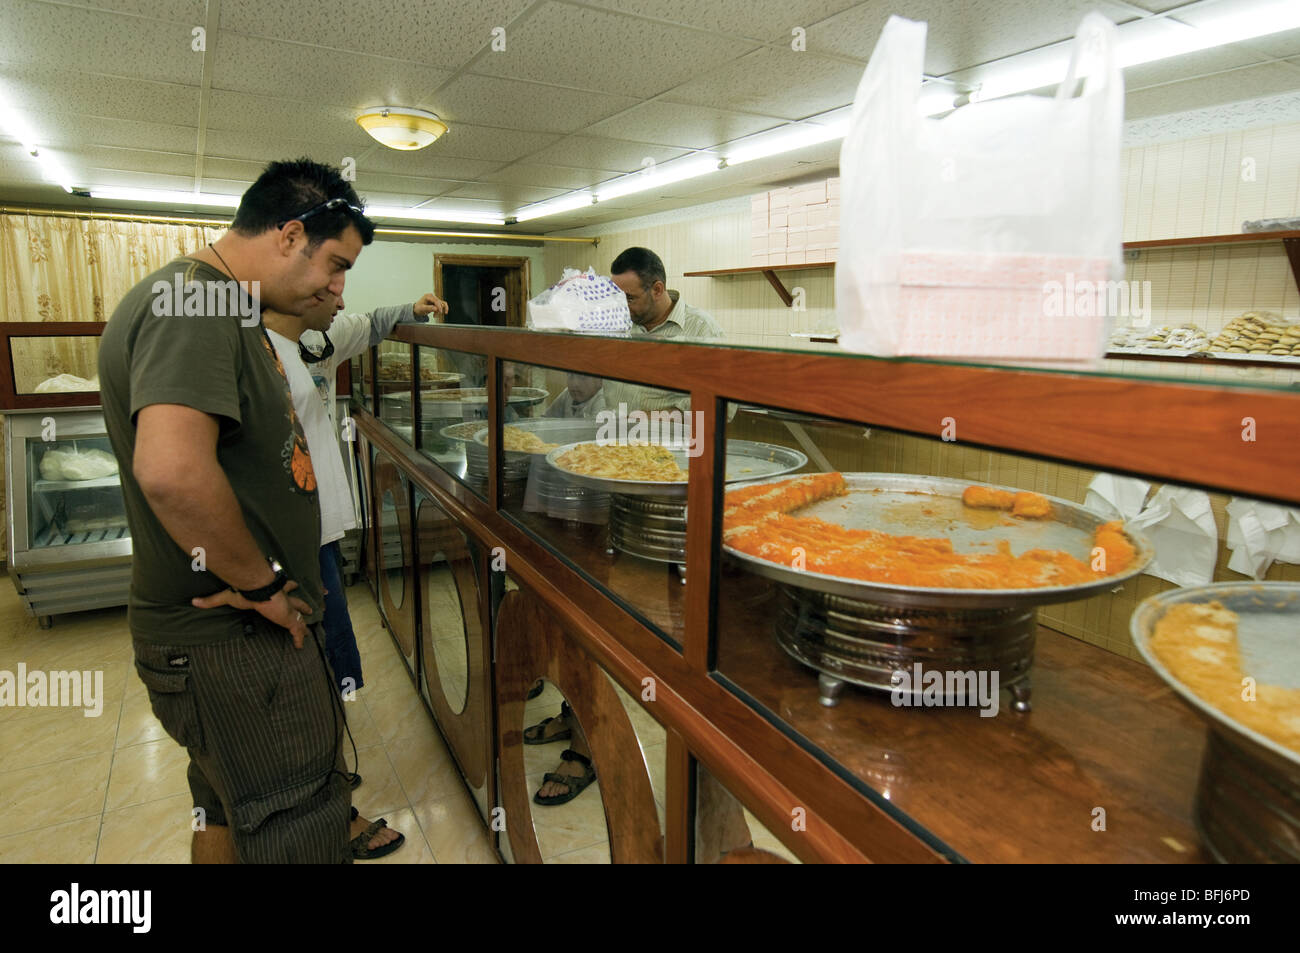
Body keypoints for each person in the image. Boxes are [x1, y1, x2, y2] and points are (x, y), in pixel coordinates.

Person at [99, 158, 374, 864]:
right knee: (296, 826)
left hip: (219, 639)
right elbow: (172, 470)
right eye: (336, 264)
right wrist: (262, 587)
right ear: (289, 235)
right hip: (232, 642)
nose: (337, 288)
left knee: (225, 804)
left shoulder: (220, 304)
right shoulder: (197, 302)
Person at [262, 290, 449, 859]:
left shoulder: (313, 342)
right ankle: (324, 807)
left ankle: (327, 781)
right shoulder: (248, 352)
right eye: (332, 277)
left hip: (319, 532)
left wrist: (412, 311)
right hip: (284, 544)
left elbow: (369, 324)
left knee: (329, 660)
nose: (341, 297)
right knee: (301, 670)